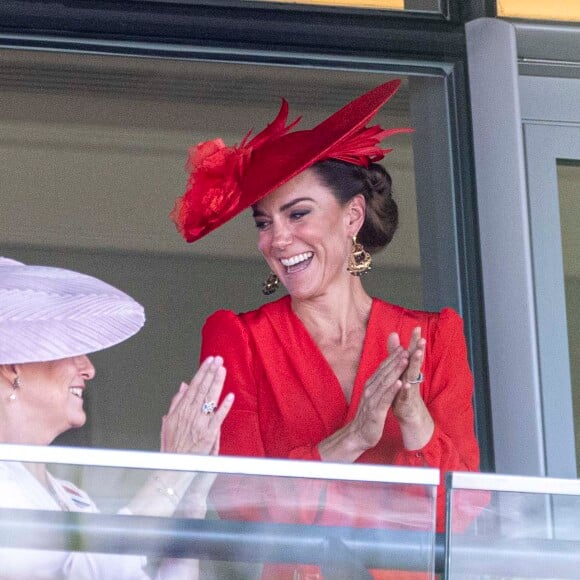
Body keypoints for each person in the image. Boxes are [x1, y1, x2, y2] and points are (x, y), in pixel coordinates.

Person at [170, 80, 480, 577]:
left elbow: (461, 513)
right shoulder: (239, 340)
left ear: (352, 216)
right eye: (263, 222)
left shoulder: (434, 337)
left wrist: (415, 418)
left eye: (298, 214)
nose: (278, 238)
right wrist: (351, 439)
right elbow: (239, 504)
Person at [0, 257, 234, 579]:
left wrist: (188, 505)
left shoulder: (73, 497)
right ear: (15, 364)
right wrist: (171, 475)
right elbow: (92, 572)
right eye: (72, 349)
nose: (89, 369)